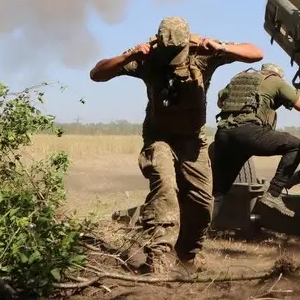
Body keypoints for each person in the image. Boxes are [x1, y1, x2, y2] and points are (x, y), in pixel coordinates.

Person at [89, 16, 263, 273]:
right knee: (165, 189)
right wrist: (128, 56)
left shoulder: (203, 54)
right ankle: (159, 257)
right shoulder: (145, 58)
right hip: (160, 139)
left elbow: (256, 53)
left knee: (202, 204)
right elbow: (97, 74)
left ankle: (187, 255)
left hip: (193, 143)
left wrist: (222, 48)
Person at [211, 62, 300, 218]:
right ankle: (273, 194)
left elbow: (220, 102)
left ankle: (201, 228)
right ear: (277, 74)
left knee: (218, 191)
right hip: (249, 133)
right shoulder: (275, 80)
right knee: (296, 146)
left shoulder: (239, 79)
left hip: (223, 135)